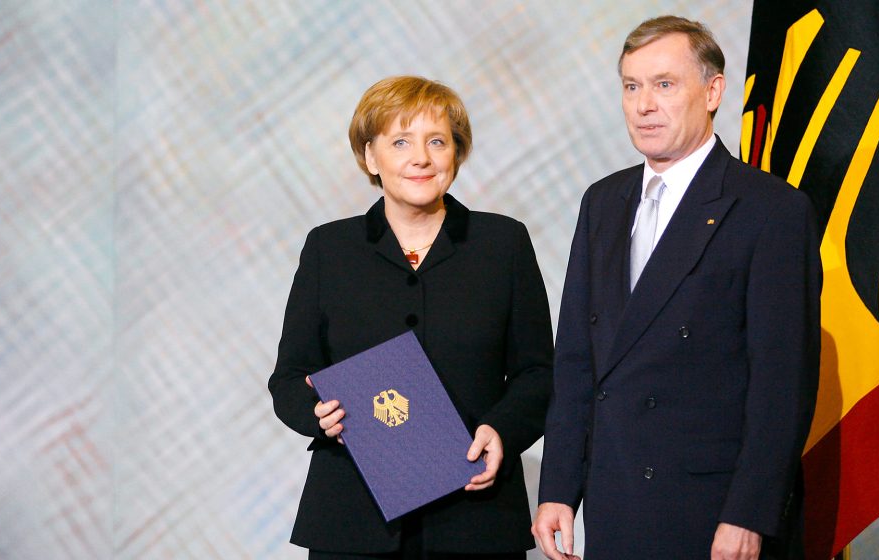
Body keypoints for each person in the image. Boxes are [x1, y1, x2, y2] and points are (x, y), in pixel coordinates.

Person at [532, 16, 821, 560]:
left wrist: (748, 514)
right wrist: (558, 490)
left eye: (664, 84)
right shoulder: (603, 201)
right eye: (631, 86)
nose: (644, 105)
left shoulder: (771, 210)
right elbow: (575, 360)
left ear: (713, 92)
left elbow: (783, 384)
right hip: (616, 503)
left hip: (713, 512)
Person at [269, 75, 553, 560]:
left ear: (455, 154)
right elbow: (289, 378)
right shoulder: (328, 249)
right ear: (370, 156)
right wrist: (315, 414)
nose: (420, 157)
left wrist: (503, 430)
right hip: (354, 518)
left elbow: (538, 373)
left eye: (436, 141)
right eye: (400, 141)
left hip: (474, 517)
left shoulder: (502, 245)